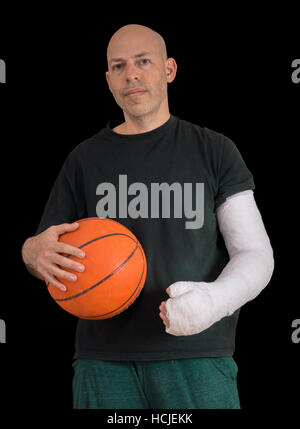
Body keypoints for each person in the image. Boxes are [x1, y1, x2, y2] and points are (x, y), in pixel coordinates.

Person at [21, 24, 274, 409]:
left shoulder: (215, 150)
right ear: (108, 80)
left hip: (197, 353)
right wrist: (30, 251)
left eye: (143, 62)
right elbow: (45, 251)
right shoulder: (84, 159)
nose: (131, 75)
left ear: (169, 70)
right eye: (118, 66)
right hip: (101, 359)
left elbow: (255, 254)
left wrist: (212, 301)